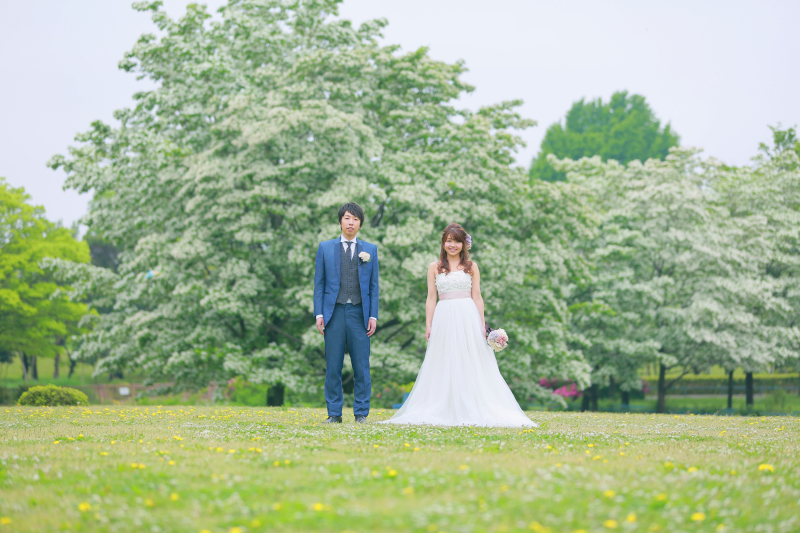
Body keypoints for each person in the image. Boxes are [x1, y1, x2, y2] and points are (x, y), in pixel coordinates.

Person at [381, 223, 536, 427]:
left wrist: (481, 324)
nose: (452, 245)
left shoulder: (472, 267)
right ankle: (444, 405)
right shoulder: (434, 267)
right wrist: (429, 325)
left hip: (467, 315)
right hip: (444, 315)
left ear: (464, 245)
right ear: (444, 243)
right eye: (449, 240)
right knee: (444, 358)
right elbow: (430, 298)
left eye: (457, 241)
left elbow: (478, 296)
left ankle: (472, 404)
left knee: (470, 358)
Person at [314, 202, 379, 423]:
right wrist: (319, 314)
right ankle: (334, 414)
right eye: (347, 218)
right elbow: (319, 284)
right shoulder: (324, 248)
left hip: (360, 314)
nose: (351, 223)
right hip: (333, 313)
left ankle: (361, 413)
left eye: (355, 219)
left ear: (360, 224)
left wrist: (373, 316)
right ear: (340, 221)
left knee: (361, 366)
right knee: (333, 366)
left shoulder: (370, 250)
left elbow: (373, 287)